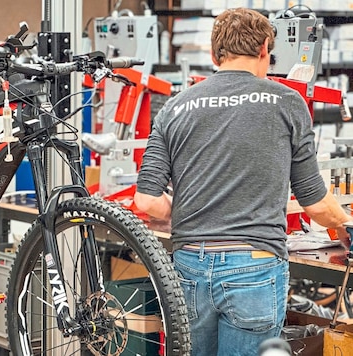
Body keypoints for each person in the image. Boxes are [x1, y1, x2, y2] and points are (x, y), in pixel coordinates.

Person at [133, 7, 353, 356]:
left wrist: (191, 213)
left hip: (189, 265)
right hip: (255, 266)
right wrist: (344, 225)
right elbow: (313, 201)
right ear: (266, 48)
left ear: (213, 53)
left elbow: (145, 203)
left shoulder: (175, 107)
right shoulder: (287, 101)